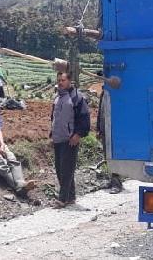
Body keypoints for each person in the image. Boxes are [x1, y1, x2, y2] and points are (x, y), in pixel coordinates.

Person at [51, 71, 90, 208]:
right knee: (60, 168)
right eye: (59, 80)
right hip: (58, 138)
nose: (60, 83)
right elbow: (54, 117)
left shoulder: (76, 97)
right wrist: (52, 133)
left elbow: (84, 117)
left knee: (66, 170)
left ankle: (62, 199)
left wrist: (78, 134)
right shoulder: (57, 98)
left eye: (63, 80)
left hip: (70, 139)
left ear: (69, 81)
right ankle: (71, 197)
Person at [96, 75, 123, 194]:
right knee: (107, 156)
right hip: (104, 130)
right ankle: (112, 180)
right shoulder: (104, 93)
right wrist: (98, 128)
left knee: (114, 156)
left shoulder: (114, 94)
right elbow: (100, 112)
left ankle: (117, 183)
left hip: (113, 130)